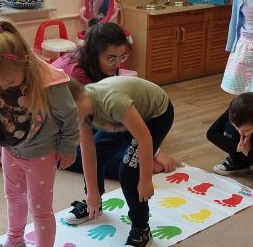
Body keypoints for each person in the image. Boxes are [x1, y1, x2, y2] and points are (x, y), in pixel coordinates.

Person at [0, 18, 79, 247]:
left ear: (23, 64)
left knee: (40, 209)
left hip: (40, 153)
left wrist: (68, 148)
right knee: (13, 196)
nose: (3, 86)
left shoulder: (49, 81)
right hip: (11, 149)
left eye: (9, 82)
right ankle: (15, 241)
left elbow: (70, 116)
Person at [53, 20, 178, 199]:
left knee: (119, 158)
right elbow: (88, 136)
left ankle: (137, 159)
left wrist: (150, 149)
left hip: (98, 115)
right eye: (111, 58)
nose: (117, 64)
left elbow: (117, 116)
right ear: (95, 53)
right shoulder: (79, 77)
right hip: (60, 127)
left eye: (121, 57)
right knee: (73, 156)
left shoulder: (103, 72)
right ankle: (136, 161)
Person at [66, 76, 174, 247]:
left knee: (128, 172)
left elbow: (145, 139)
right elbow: (89, 150)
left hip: (155, 116)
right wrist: (92, 192)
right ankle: (95, 204)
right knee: (97, 152)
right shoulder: (81, 112)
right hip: (122, 118)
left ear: (76, 102)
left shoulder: (112, 101)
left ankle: (142, 228)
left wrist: (145, 180)